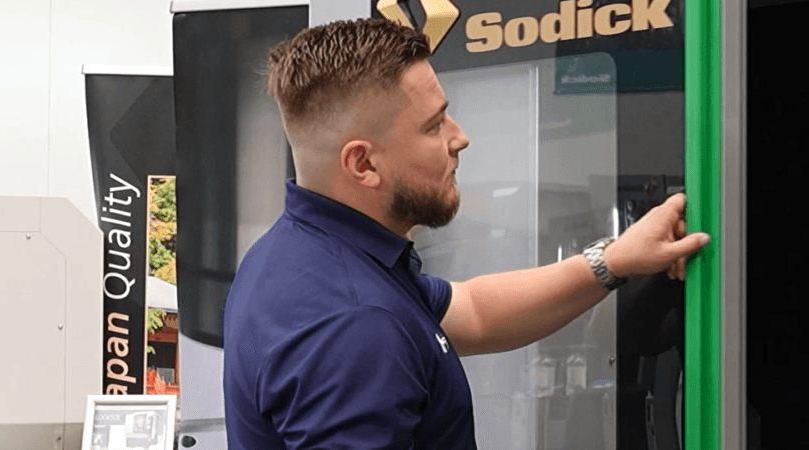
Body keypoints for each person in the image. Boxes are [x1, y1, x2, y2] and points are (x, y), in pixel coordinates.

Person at [221, 18, 710, 450]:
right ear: (363, 163)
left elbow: (473, 311)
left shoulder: (296, 254)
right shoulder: (355, 325)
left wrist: (617, 258)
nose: (460, 137)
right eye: (433, 126)